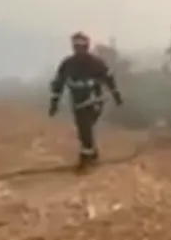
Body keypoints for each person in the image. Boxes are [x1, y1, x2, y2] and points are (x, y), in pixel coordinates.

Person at [48, 32, 123, 165]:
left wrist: (116, 96)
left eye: (81, 46)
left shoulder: (96, 63)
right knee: (83, 126)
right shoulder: (67, 64)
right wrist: (54, 103)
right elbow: (58, 84)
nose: (78, 49)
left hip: (94, 99)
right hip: (77, 101)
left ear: (87, 46)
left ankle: (86, 155)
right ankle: (90, 152)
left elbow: (109, 78)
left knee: (85, 125)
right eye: (76, 46)